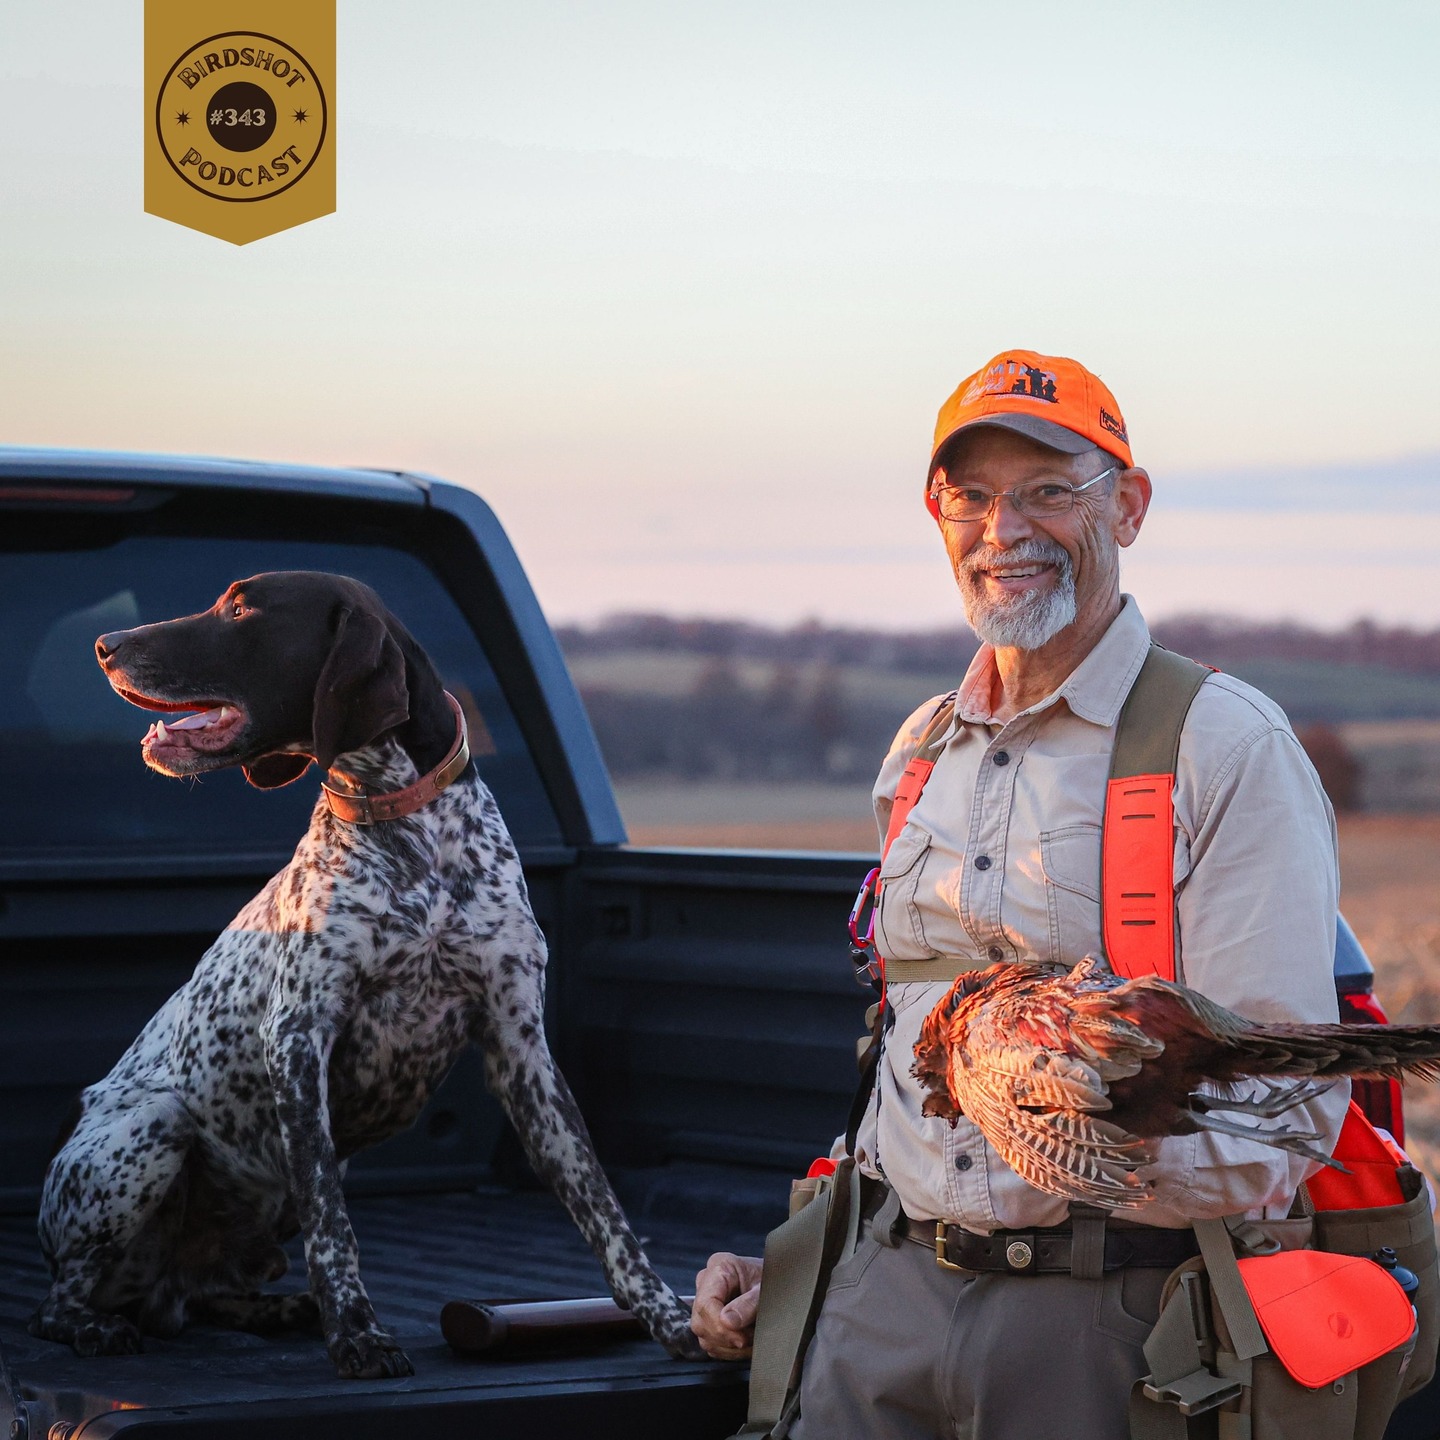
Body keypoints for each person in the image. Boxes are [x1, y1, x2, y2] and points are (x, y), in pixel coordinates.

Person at [690, 349, 1348, 1437]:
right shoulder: (921, 751)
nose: (1007, 529)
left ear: (1127, 508)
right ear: (937, 514)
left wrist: (1068, 1157)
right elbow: (905, 1044)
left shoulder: (1223, 748)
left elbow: (1284, 1111)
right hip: (880, 1309)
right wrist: (812, 1253)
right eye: (974, 495)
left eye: (1051, 489)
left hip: (1109, 1325)